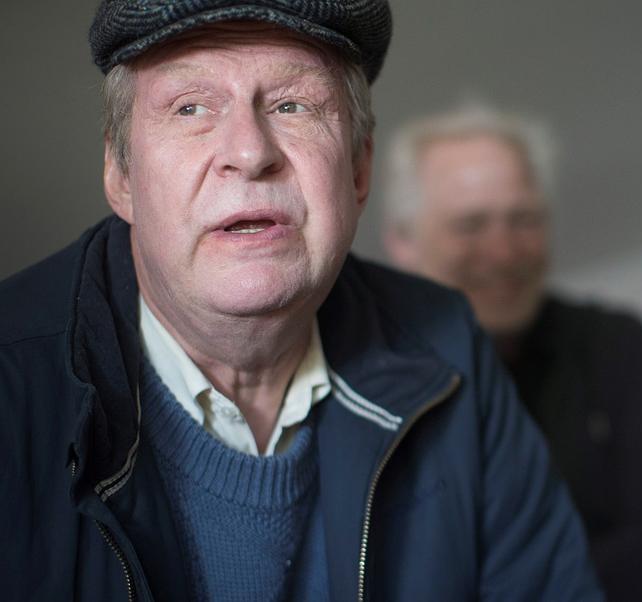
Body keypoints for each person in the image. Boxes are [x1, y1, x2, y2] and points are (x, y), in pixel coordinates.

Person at [0, 2, 604, 600]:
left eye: (293, 105)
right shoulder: (12, 382)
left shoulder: (449, 346)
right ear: (120, 174)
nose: (250, 152)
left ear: (359, 168)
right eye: (191, 107)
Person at [382, 104, 642, 601]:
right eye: (471, 225)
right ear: (403, 243)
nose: (503, 251)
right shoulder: (367, 386)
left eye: (523, 220)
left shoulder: (617, 349)